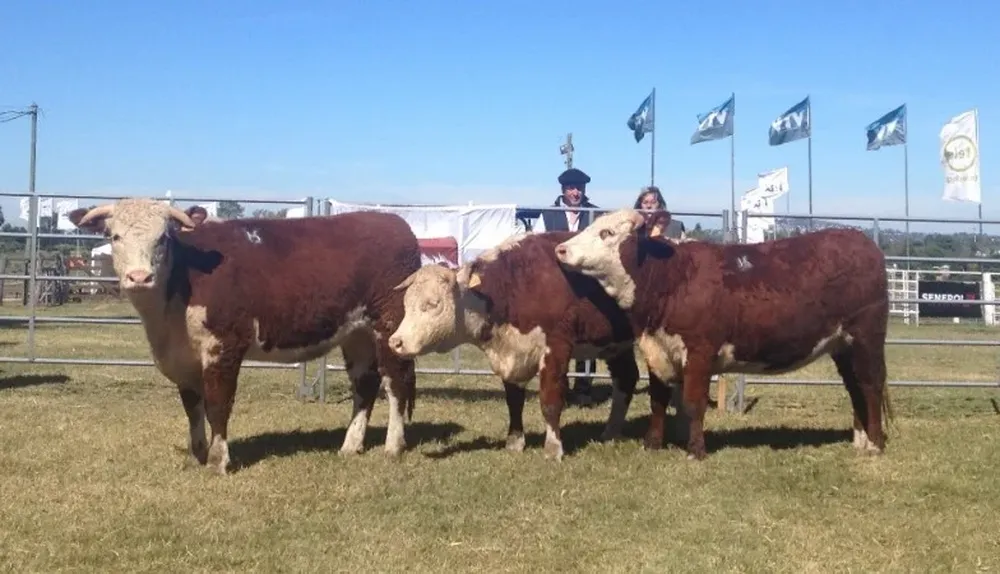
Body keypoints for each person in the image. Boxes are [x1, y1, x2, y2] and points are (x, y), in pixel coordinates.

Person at [537, 168, 603, 406]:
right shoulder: (547, 215)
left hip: (588, 285)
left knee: (588, 335)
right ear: (563, 190)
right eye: (571, 188)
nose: (576, 193)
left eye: (579, 188)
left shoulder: (595, 214)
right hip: (557, 285)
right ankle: (560, 386)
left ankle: (584, 388)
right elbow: (537, 249)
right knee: (557, 338)